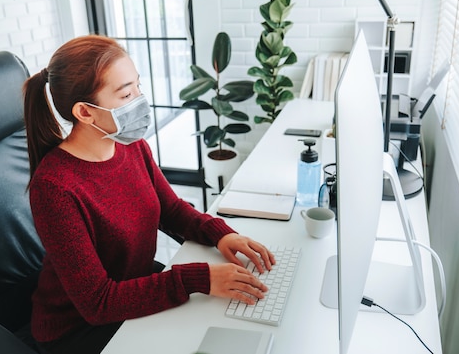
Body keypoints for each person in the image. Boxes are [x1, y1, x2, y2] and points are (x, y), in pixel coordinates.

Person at [22, 35, 276, 354]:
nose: (140, 101)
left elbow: (169, 209)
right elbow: (98, 303)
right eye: (127, 94)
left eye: (138, 87)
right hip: (80, 329)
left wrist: (220, 234)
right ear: (85, 113)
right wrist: (199, 279)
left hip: (132, 291)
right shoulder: (55, 187)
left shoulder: (132, 147)